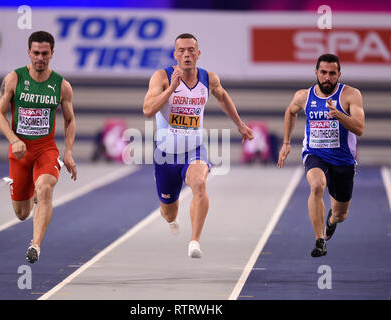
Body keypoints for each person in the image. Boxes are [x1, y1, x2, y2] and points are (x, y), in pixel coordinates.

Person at [143, 33, 254, 258]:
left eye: (191, 50)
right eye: (181, 50)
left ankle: (194, 241)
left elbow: (222, 97)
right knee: (168, 212)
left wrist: (240, 124)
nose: (186, 54)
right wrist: (170, 89)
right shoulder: (162, 77)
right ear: (175, 54)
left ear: (198, 53)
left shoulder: (208, 78)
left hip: (194, 148)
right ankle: (172, 219)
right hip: (166, 154)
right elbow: (147, 110)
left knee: (200, 184)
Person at [0, 31, 77, 263]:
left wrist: (68, 152)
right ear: (29, 53)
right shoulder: (14, 78)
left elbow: (70, 120)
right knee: (21, 214)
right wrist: (14, 140)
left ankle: (35, 245)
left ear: (52, 54)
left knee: (45, 188)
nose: (40, 58)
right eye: (36, 53)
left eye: (45, 53)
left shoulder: (62, 86)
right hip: (19, 150)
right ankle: (32, 192)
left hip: (46, 149)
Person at [277, 53, 365, 257]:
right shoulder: (304, 96)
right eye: (323, 72)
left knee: (341, 213)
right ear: (316, 72)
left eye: (332, 73)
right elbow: (290, 112)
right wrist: (286, 142)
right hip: (315, 153)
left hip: (343, 159)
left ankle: (332, 220)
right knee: (317, 186)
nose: (327, 77)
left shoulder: (350, 95)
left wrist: (339, 115)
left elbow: (360, 128)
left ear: (339, 74)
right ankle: (320, 240)